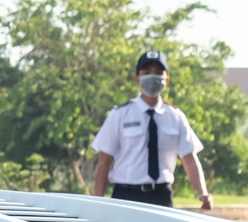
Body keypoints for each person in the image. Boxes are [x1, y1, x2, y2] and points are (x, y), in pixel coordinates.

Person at [91, 51, 213, 210]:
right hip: (125, 196)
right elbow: (104, 162)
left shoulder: (175, 117)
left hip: (160, 196)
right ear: (137, 79)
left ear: (167, 78)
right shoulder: (120, 115)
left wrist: (202, 193)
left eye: (158, 72)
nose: (153, 76)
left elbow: (189, 158)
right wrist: (98, 202)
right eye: (147, 72)